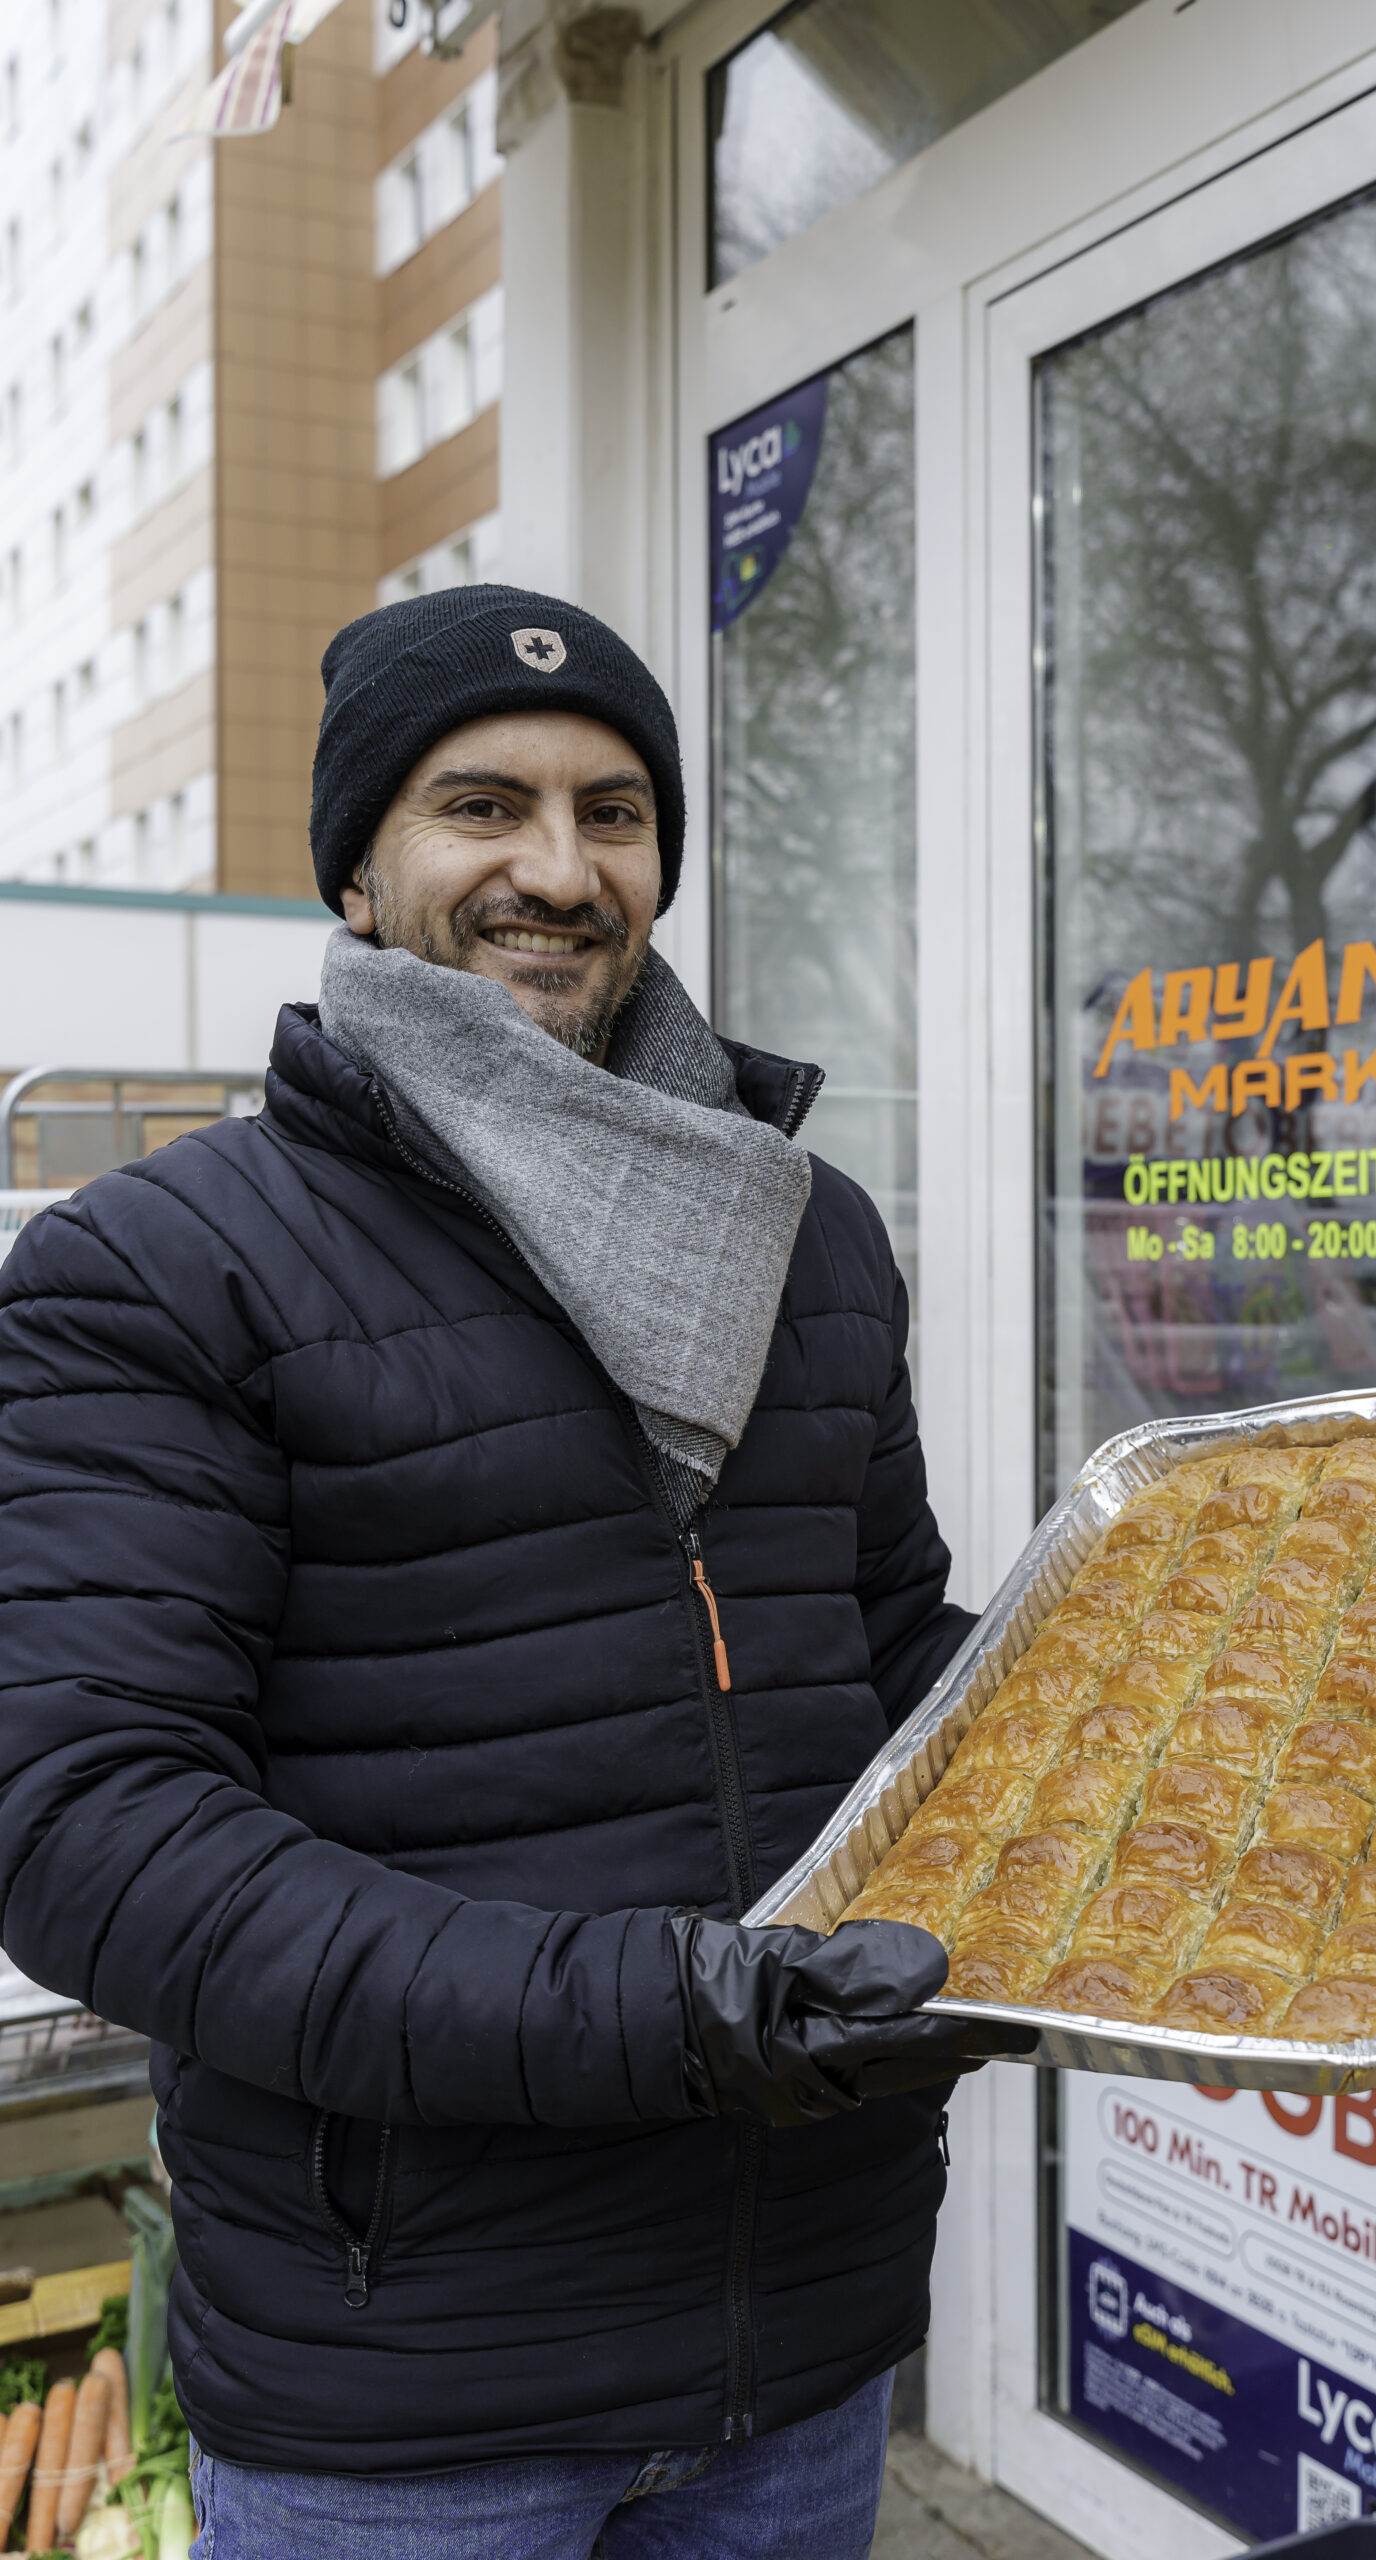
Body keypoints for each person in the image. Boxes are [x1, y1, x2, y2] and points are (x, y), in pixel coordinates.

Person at [0, 587, 1030, 2558]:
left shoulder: (811, 1234)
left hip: (800, 2328)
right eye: (483, 804)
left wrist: (1195, 1733)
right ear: (363, 874)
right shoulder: (164, 1268)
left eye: (614, 811)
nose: (558, 869)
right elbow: (91, 1831)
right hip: (411, 2388)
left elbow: (885, 1650)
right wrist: (658, 2009)